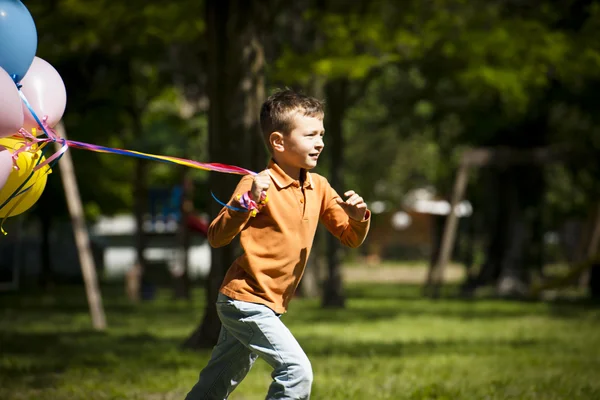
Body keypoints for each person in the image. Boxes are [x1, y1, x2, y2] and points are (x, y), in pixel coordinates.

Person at [185, 89, 371, 400]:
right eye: (310, 134)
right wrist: (246, 203)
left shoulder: (320, 186)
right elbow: (217, 236)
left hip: (270, 305)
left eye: (321, 133)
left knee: (216, 383)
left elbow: (350, 237)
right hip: (244, 301)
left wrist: (359, 217)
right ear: (278, 142)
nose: (320, 142)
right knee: (296, 371)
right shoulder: (257, 184)